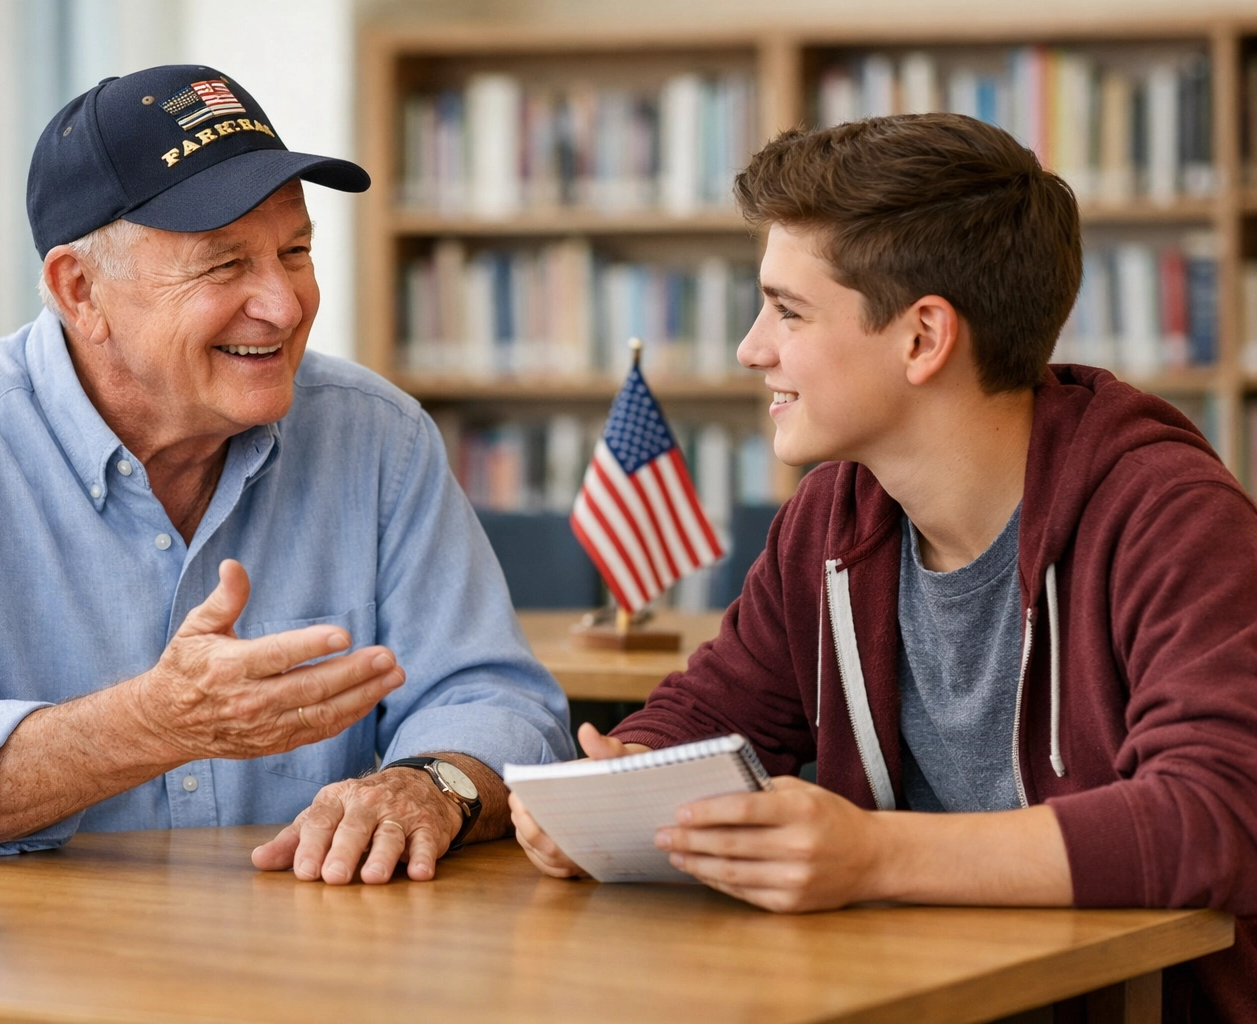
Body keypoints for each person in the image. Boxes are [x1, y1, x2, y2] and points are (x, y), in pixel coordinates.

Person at [510, 114, 1257, 1021]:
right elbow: (712, 712)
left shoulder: (1170, 516)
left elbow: (1218, 817)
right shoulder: (830, 518)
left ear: (922, 339)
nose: (752, 348)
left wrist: (875, 856)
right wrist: (608, 796)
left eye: (788, 311)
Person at [0, 65, 573, 887]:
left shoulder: (379, 435)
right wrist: (152, 725)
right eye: (224, 265)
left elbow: (496, 699)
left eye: (295, 251)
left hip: (307, 960)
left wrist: (429, 786)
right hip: (12, 975)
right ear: (80, 290)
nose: (284, 303)